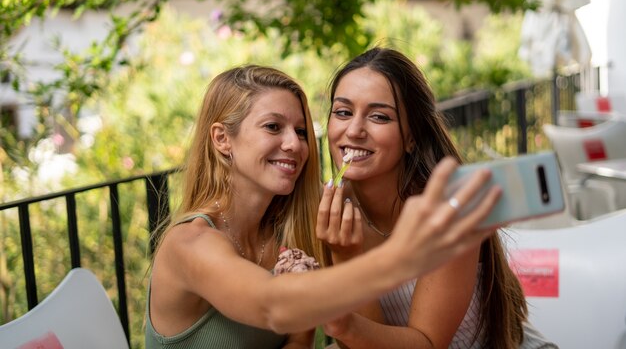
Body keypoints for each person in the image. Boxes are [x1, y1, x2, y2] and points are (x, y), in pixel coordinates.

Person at [145, 64, 501, 349]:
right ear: (222, 139)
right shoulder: (190, 244)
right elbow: (275, 306)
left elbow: (299, 338)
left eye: (301, 132)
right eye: (273, 127)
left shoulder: (288, 227)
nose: (295, 145)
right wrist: (398, 259)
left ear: (410, 137)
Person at [317, 47, 557, 348]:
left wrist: (346, 264)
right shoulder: (329, 207)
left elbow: (426, 343)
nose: (353, 130)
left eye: (379, 117)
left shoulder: (449, 210)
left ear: (411, 137)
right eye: (342, 112)